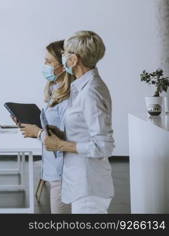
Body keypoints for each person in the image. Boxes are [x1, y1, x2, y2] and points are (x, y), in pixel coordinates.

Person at [43, 31, 114, 214]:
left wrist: (60, 144)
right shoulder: (81, 88)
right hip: (79, 182)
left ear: (74, 60)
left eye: (65, 53)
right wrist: (60, 133)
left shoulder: (91, 92)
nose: (63, 57)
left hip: (89, 186)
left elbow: (103, 146)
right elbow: (83, 130)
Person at [18, 40, 73, 213]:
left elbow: (68, 137)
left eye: (49, 62)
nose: (45, 65)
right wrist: (32, 128)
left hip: (64, 172)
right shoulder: (55, 89)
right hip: (54, 168)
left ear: (64, 65)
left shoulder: (69, 97)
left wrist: (38, 132)